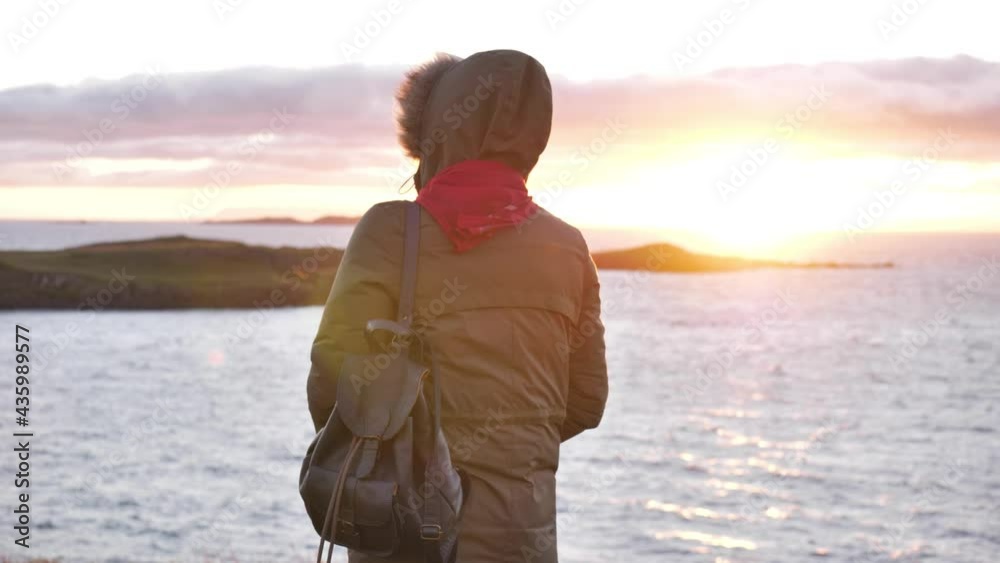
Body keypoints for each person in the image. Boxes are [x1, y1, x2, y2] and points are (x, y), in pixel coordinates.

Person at [307, 49, 608, 563]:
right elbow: (586, 400)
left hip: (401, 535)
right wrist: (508, 450)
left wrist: (408, 450)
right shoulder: (567, 247)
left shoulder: (389, 230)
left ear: (436, 132)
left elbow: (330, 381)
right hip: (522, 538)